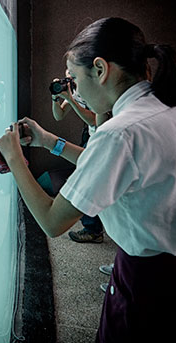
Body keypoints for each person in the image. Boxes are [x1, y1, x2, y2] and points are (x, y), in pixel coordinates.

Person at [0, 17, 176, 342]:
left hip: (148, 283)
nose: (74, 92)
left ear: (101, 69)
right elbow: (112, 169)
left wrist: (15, 159)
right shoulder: (174, 108)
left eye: (75, 80)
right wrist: (49, 141)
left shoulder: (118, 133)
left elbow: (52, 221)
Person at [50, 71, 111, 243]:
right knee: (86, 178)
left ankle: (93, 229)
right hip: (92, 136)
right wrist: (56, 98)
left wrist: (70, 99)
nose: (68, 76)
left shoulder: (94, 88)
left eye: (72, 72)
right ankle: (93, 228)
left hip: (105, 137)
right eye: (66, 72)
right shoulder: (75, 90)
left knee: (87, 180)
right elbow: (58, 116)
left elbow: (95, 120)